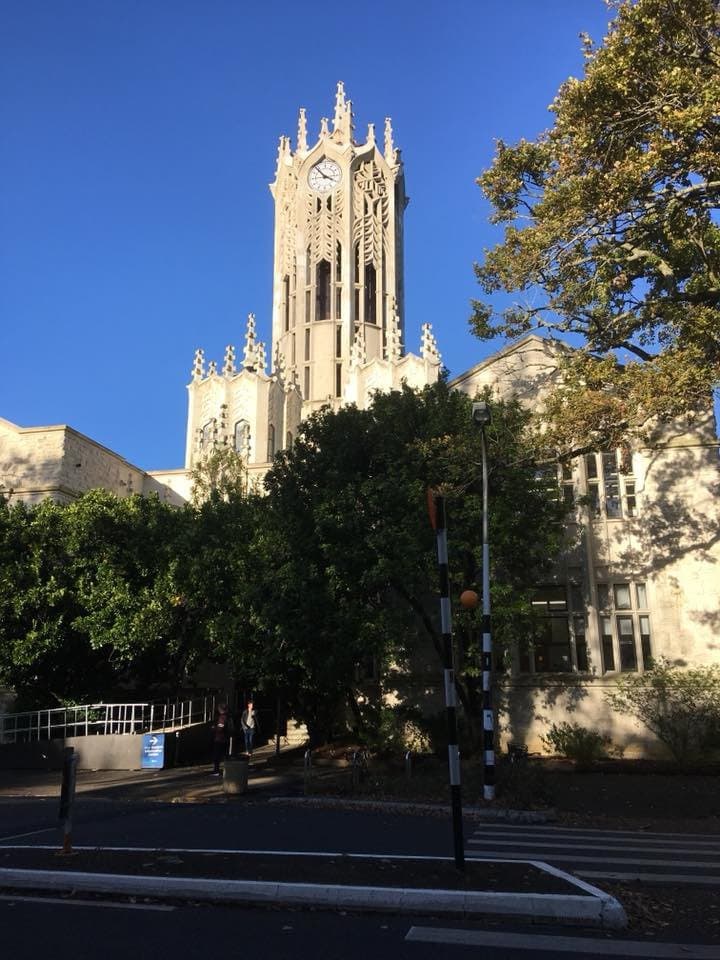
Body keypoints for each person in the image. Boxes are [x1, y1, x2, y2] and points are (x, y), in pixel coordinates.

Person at [211, 703, 232, 775]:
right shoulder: (228, 717)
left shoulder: (222, 717)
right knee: (225, 755)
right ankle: (227, 769)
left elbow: (220, 728)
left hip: (220, 739)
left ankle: (216, 771)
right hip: (226, 739)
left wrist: (214, 728)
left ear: (220, 709)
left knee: (217, 756)